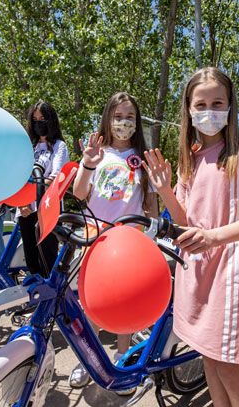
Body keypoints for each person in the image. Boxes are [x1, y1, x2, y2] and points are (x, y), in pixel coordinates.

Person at [143, 67, 239, 407]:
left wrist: (213, 237)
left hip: (231, 270)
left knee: (229, 368)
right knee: (210, 361)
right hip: (197, 269)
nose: (209, 110)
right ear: (188, 109)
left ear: (230, 106)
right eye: (201, 104)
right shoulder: (191, 158)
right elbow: (184, 220)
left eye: (218, 102)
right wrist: (164, 190)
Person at [70, 91, 158, 395]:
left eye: (130, 117)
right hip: (95, 240)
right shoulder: (98, 153)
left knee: (126, 304)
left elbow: (149, 202)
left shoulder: (142, 157)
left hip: (130, 243)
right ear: (108, 118)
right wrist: (87, 163)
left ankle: (122, 359)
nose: (123, 122)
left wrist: (153, 234)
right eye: (118, 116)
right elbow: (80, 193)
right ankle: (89, 360)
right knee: (91, 305)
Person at [18, 101, 69, 278]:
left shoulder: (59, 146)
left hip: (48, 209)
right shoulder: (28, 147)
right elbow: (18, 177)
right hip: (26, 210)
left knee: (47, 260)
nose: (39, 123)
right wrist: (22, 204)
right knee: (31, 260)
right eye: (35, 119)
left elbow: (56, 176)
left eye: (43, 119)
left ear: (51, 120)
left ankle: (53, 301)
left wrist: (35, 191)